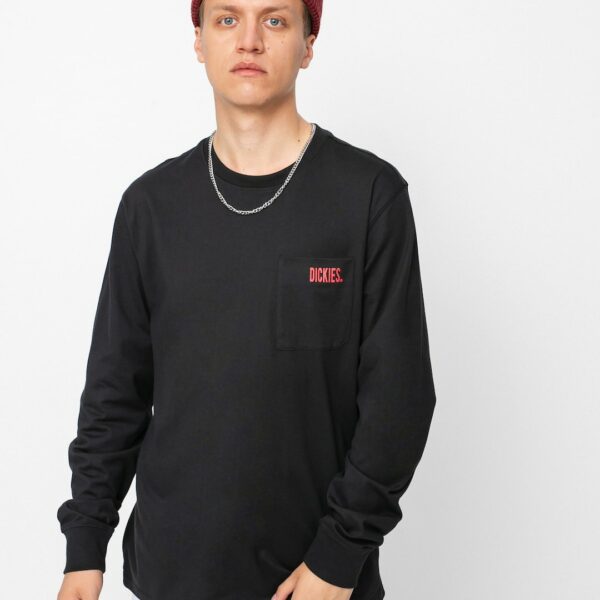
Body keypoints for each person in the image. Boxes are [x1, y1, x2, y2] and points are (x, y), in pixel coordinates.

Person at [56, 1, 437, 599]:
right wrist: (85, 546)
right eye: (227, 19)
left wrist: (338, 557)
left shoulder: (368, 195)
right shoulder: (151, 207)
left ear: (309, 45)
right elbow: (114, 392)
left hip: (312, 579)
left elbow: (400, 399)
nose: (250, 40)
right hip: (170, 575)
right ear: (200, 41)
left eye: (275, 20)